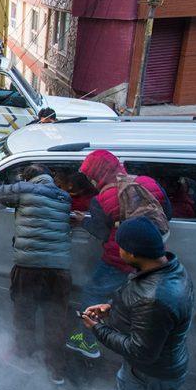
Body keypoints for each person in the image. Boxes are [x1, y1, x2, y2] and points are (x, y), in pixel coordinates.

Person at [81, 217, 193, 390]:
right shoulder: (169, 268)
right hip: (154, 369)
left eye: (120, 245)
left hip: (148, 375)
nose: (118, 250)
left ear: (131, 252)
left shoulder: (155, 298)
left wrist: (97, 329)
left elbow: (140, 350)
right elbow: (141, 306)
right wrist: (111, 309)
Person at [66, 149, 172, 359]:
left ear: (96, 175)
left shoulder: (102, 198)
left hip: (120, 257)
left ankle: (86, 341)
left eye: (90, 176)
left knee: (93, 292)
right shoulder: (147, 182)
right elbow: (167, 213)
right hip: (153, 255)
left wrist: (82, 221)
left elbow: (103, 232)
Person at [0, 164, 73, 384]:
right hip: (60, 269)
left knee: (25, 313)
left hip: (29, 267)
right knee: (56, 319)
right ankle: (56, 372)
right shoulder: (64, 197)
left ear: (29, 179)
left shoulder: (26, 189)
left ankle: (25, 360)